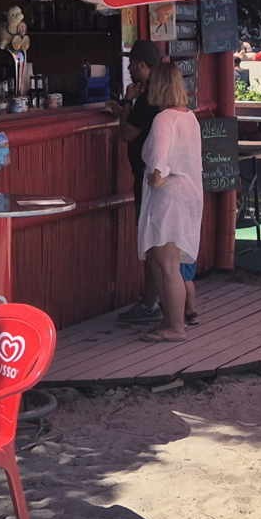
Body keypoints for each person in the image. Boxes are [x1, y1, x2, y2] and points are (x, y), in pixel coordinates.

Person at [136, 66, 203, 341]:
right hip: (189, 192)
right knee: (163, 261)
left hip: (169, 196)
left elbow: (159, 162)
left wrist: (155, 178)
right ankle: (169, 320)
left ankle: (175, 326)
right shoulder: (189, 117)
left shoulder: (164, 118)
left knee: (166, 264)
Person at [115, 40, 170, 323]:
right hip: (164, 177)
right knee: (164, 245)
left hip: (148, 178)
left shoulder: (147, 99)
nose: (129, 69)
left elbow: (126, 133)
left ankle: (150, 303)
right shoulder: (163, 94)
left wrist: (126, 102)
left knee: (151, 245)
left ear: (140, 65)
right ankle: (166, 302)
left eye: (131, 64)